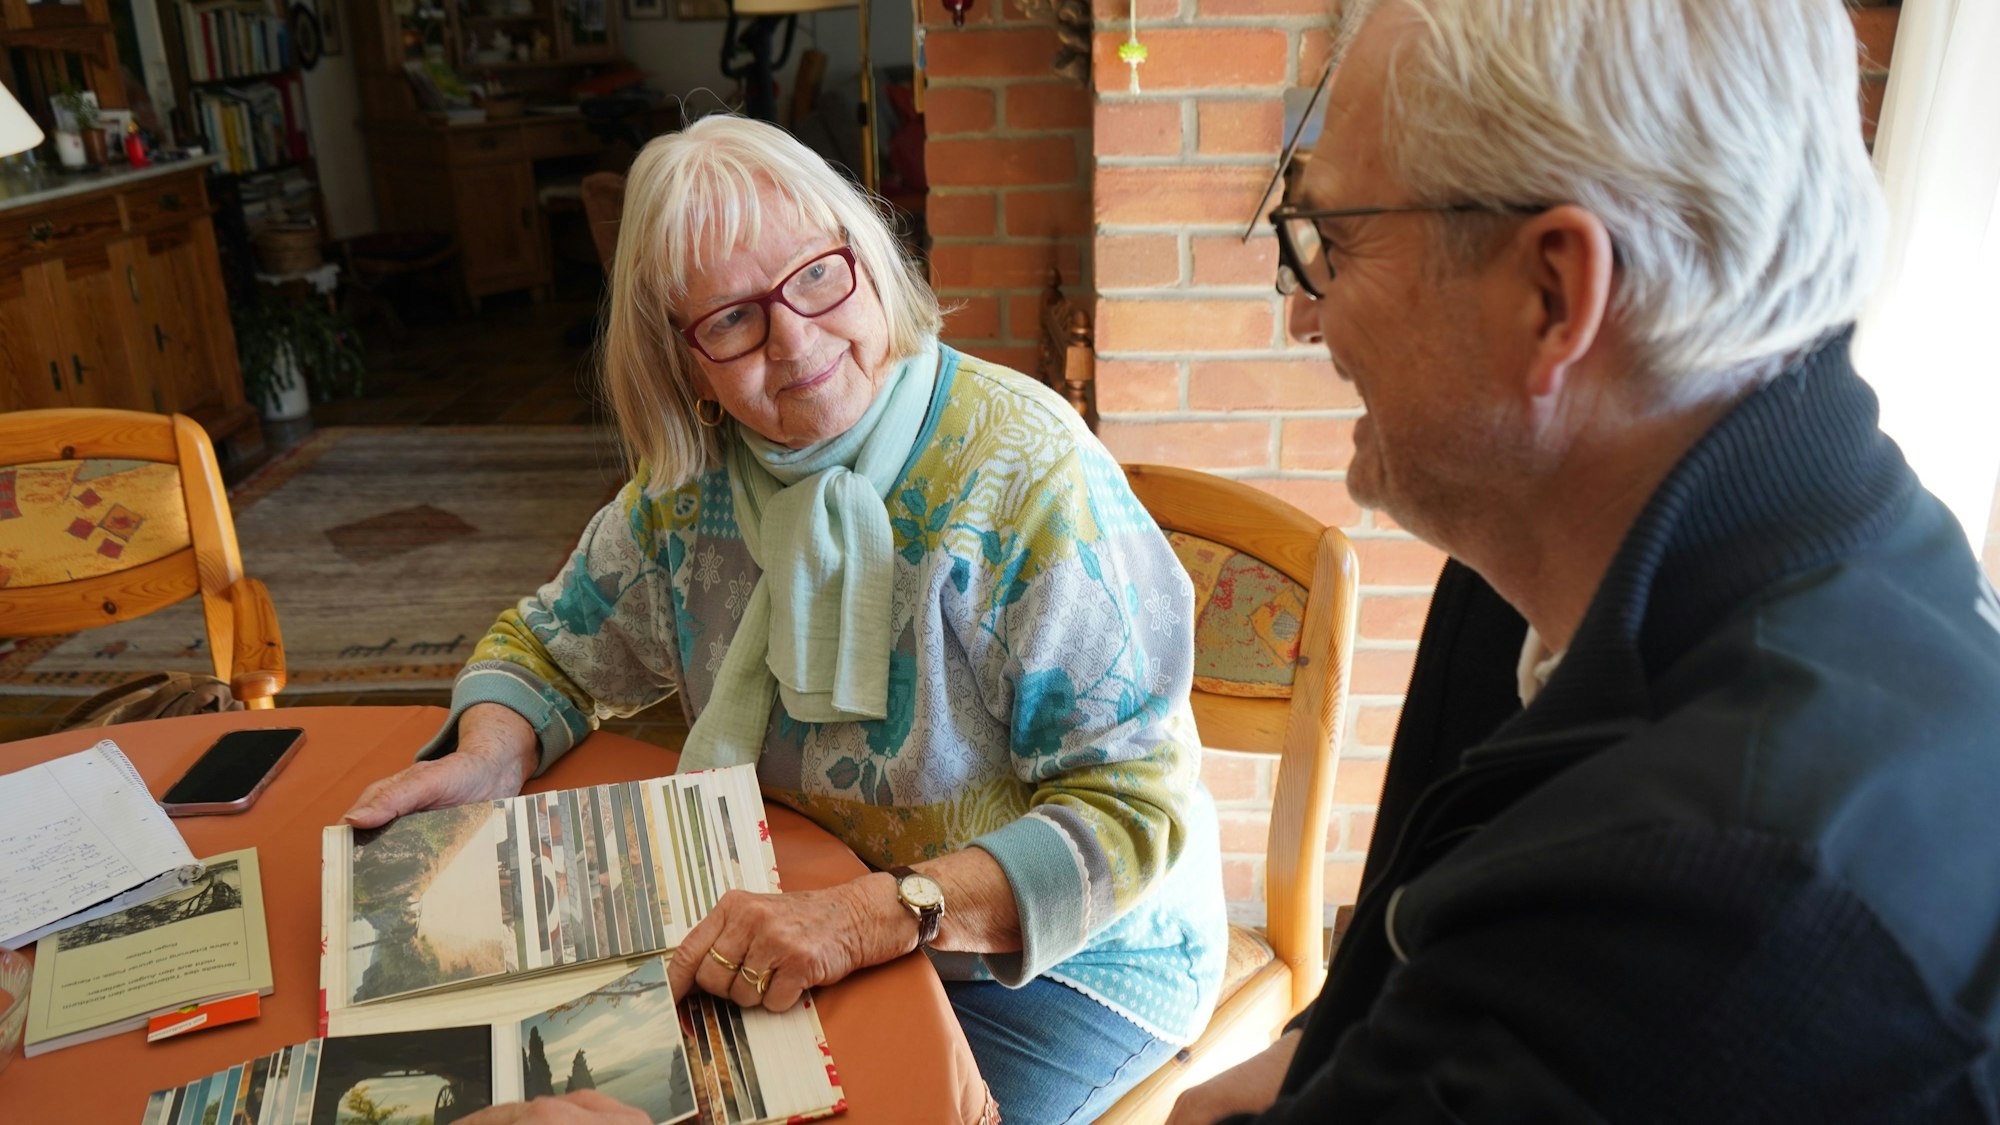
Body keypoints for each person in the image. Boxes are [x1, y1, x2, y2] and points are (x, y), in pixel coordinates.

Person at [1169, 1, 2000, 1122]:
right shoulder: (1553, 546)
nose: (1305, 323)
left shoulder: (1709, 901)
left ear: (1552, 293)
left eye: (1333, 241)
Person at [341, 114, 1226, 1125]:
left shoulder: (1026, 474)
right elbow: (550, 643)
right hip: (795, 914)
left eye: (815, 277)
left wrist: (872, 916)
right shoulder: (686, 490)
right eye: (731, 318)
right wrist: (490, 753)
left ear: (865, 261)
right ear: (683, 362)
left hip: (1060, 964)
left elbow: (1131, 809)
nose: (795, 340)